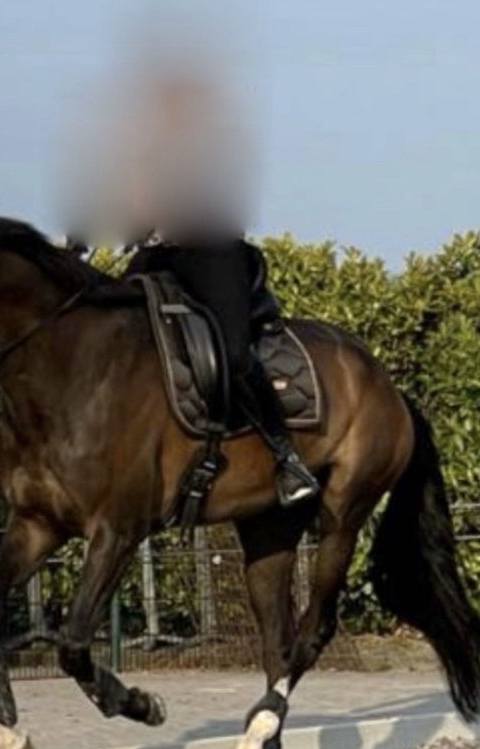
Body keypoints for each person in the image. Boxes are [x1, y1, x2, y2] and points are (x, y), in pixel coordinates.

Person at [61, 67, 319, 506]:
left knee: (235, 355)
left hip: (213, 253)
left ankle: (286, 457)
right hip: (160, 257)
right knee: (110, 332)